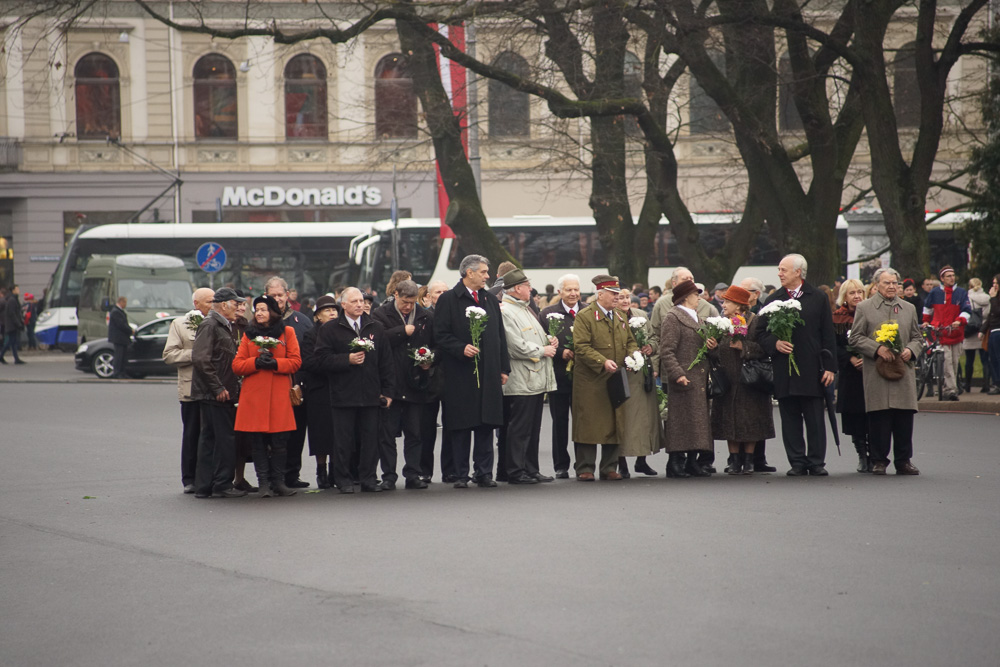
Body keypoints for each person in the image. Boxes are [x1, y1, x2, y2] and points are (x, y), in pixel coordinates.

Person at [755, 254, 836, 476]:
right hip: (785, 369)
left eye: (783, 270)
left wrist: (830, 367)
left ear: (798, 272)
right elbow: (760, 333)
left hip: (812, 367)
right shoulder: (774, 299)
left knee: (815, 418)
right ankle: (797, 461)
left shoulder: (817, 297)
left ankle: (816, 461)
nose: (779, 274)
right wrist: (775, 343)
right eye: (779, 270)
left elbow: (828, 334)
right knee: (790, 418)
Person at [434, 255, 510, 488]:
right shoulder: (448, 299)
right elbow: (440, 335)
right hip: (460, 373)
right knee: (461, 425)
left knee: (486, 424)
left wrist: (503, 367)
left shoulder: (488, 298)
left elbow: (499, 336)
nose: (488, 276)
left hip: (488, 372)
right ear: (469, 272)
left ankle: (484, 472)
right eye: (484, 272)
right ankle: (460, 474)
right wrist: (460, 347)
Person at [313, 287, 395, 493]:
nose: (360, 304)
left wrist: (388, 391)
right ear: (344, 305)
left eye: (362, 301)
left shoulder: (375, 327)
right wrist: (346, 359)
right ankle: (344, 480)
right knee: (343, 440)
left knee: (370, 439)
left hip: (371, 393)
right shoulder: (330, 329)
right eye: (355, 301)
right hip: (343, 394)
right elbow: (321, 359)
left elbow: (386, 362)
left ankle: (368, 478)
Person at [849, 268, 923, 476]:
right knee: (879, 417)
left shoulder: (908, 308)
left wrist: (911, 350)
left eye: (894, 283)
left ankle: (903, 461)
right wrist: (877, 349)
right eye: (887, 283)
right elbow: (855, 338)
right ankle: (879, 460)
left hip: (903, 370)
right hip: (877, 371)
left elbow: (918, 337)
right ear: (876, 285)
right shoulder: (865, 307)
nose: (891, 286)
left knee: (903, 417)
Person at [232, 295, 303, 497]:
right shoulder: (249, 334)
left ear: (273, 312)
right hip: (254, 397)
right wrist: (255, 362)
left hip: (279, 396)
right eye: (257, 309)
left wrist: (276, 364)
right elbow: (237, 365)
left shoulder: (287, 332)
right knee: (258, 442)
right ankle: (263, 483)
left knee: (280, 442)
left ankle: (278, 483)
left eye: (263, 309)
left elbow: (296, 361)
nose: (260, 313)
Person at [571, 274, 637, 481]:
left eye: (618, 293)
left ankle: (609, 467)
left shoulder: (619, 316)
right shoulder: (585, 316)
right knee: (588, 423)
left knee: (614, 421)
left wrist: (634, 356)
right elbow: (581, 346)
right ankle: (585, 468)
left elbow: (630, 341)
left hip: (615, 377)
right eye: (613, 293)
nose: (617, 297)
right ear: (600, 294)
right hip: (591, 380)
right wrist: (602, 362)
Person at [372, 279, 435, 490]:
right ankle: (389, 476)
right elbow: (376, 341)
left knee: (415, 433)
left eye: (412, 302)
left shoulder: (426, 315)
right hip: (391, 383)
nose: (408, 306)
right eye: (405, 302)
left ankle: (413, 474)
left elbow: (435, 344)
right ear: (396, 295)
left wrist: (429, 362)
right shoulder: (380, 314)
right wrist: (401, 331)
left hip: (416, 382)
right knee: (387, 434)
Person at [499, 269, 557, 484]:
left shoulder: (523, 308)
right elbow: (515, 346)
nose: (531, 290)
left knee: (532, 429)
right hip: (522, 379)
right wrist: (543, 351)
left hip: (533, 379)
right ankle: (515, 471)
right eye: (527, 286)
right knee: (520, 428)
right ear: (517, 289)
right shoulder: (507, 311)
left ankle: (531, 469)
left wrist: (549, 341)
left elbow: (531, 337)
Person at [709, 285, 774, 475]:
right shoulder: (721, 323)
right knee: (730, 420)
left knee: (750, 419)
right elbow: (715, 355)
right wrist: (712, 348)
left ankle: (749, 460)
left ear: (739, 306)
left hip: (749, 379)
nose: (723, 304)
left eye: (727, 301)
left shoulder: (755, 321)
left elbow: (764, 348)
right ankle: (734, 460)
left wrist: (743, 347)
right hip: (728, 379)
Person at [190, 287, 248, 498]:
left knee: (210, 439)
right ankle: (221, 483)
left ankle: (205, 486)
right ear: (224, 305)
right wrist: (218, 387)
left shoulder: (221, 325)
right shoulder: (211, 324)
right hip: (215, 393)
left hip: (215, 391)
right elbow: (200, 359)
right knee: (223, 439)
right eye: (236, 304)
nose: (239, 308)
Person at [659, 280, 716, 477]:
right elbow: (666, 350)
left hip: (699, 378)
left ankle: (692, 461)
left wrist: (711, 346)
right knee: (681, 422)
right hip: (684, 379)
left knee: (697, 422)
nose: (699, 297)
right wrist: (678, 374)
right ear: (685, 297)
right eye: (695, 294)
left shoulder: (698, 318)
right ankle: (674, 462)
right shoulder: (673, 317)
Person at [162, 287, 215, 493]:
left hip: (212, 387)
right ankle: (189, 478)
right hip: (191, 388)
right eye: (209, 301)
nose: (213, 305)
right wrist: (196, 354)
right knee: (192, 433)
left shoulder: (219, 323)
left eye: (214, 301)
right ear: (197, 304)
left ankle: (209, 477)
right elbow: (169, 355)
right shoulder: (180, 324)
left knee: (210, 434)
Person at [264, 276, 313, 488]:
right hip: (270, 387)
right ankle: (272, 477)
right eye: (272, 296)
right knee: (271, 436)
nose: (277, 299)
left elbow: (310, 355)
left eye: (280, 295)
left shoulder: (302, 321)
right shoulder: (259, 321)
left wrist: (301, 383)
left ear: (287, 295)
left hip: (297, 386)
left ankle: (292, 474)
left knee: (297, 431)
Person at [538, 273, 582, 478]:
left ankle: (583, 464)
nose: (573, 293)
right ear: (560, 292)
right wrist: (560, 352)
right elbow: (541, 344)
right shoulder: (547, 314)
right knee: (560, 422)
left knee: (583, 422)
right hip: (558, 377)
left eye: (576, 289)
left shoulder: (588, 312)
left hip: (585, 379)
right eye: (569, 290)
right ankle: (561, 465)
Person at [614, 288, 661, 477]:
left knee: (645, 420)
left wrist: (651, 347)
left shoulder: (641, 315)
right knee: (624, 420)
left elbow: (654, 338)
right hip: (623, 373)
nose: (625, 300)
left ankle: (642, 460)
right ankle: (622, 462)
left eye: (627, 297)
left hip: (643, 374)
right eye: (620, 298)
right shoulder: (612, 317)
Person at [299, 295, 339, 488]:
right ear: (317, 316)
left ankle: (335, 470)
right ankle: (321, 470)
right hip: (318, 389)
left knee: (338, 432)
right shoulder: (310, 335)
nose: (332, 313)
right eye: (327, 310)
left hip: (339, 387)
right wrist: (333, 364)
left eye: (334, 310)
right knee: (320, 433)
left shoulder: (340, 332)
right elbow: (308, 362)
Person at [833, 279, 871, 473]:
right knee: (855, 416)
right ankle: (862, 455)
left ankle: (875, 454)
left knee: (873, 416)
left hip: (872, 371)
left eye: (860, 292)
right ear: (844, 297)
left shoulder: (872, 313)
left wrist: (867, 356)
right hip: (850, 374)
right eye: (852, 293)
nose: (857, 296)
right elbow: (833, 345)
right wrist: (849, 358)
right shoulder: (837, 318)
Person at [739, 276, 777, 472]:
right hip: (742, 365)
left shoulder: (765, 311)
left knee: (760, 412)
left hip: (760, 366)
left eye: (745, 291)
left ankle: (759, 458)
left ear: (755, 294)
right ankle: (744, 458)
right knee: (746, 414)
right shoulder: (737, 311)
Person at [418, 279, 453, 483]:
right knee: (426, 428)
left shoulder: (455, 314)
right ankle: (424, 471)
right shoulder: (422, 317)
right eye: (437, 292)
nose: (441, 294)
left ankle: (450, 470)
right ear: (429, 296)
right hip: (428, 378)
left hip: (451, 378)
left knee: (452, 427)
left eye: (444, 291)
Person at [922, 265, 971, 401]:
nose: (952, 278)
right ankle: (951, 390)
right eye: (948, 276)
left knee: (954, 363)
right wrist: (926, 321)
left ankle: (947, 389)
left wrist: (960, 320)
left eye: (953, 275)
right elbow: (927, 308)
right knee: (947, 362)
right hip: (941, 333)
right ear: (942, 278)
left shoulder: (961, 293)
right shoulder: (935, 293)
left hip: (956, 332)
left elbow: (967, 310)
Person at [964, 278, 991, 393]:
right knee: (985, 360)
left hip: (971, 331)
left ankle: (967, 385)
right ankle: (986, 385)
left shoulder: (968, 298)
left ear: (970, 286)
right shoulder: (987, 298)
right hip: (983, 331)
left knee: (969, 360)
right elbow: (989, 314)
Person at [981, 275, 1000, 395]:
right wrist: (982, 330)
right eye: (993, 283)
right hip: (993, 330)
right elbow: (991, 315)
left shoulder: (995, 299)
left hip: (999, 330)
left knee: (998, 358)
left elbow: (998, 312)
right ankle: (996, 383)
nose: (994, 286)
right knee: (993, 358)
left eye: (996, 283)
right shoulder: (995, 297)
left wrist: (993, 299)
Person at [0, 285, 26, 364]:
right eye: (17, 289)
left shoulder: (13, 299)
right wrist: (18, 324)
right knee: (11, 342)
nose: (18, 290)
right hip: (12, 325)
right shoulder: (12, 300)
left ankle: (15, 358)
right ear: (13, 290)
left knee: (12, 342)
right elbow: (12, 313)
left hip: (12, 324)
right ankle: (3, 356)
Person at [107, 296, 131, 378]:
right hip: (119, 338)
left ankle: (122, 372)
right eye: (125, 303)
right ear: (121, 302)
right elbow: (121, 325)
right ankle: (117, 373)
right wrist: (131, 330)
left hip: (122, 338)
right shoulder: (116, 312)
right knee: (119, 356)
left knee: (123, 357)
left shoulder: (118, 311)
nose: (125, 305)